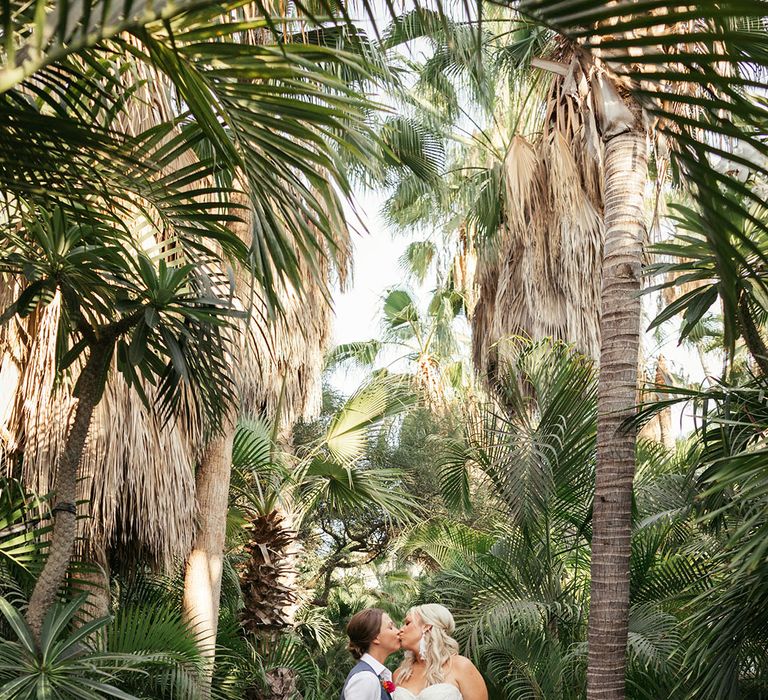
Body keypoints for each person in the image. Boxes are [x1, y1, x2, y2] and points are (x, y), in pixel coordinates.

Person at [393, 604, 487, 700]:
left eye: (408, 623)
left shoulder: (460, 666)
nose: (401, 630)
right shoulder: (399, 674)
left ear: (426, 626)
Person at [342, 607, 402, 700]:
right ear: (375, 637)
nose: (398, 631)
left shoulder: (376, 675)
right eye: (390, 627)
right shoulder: (365, 678)